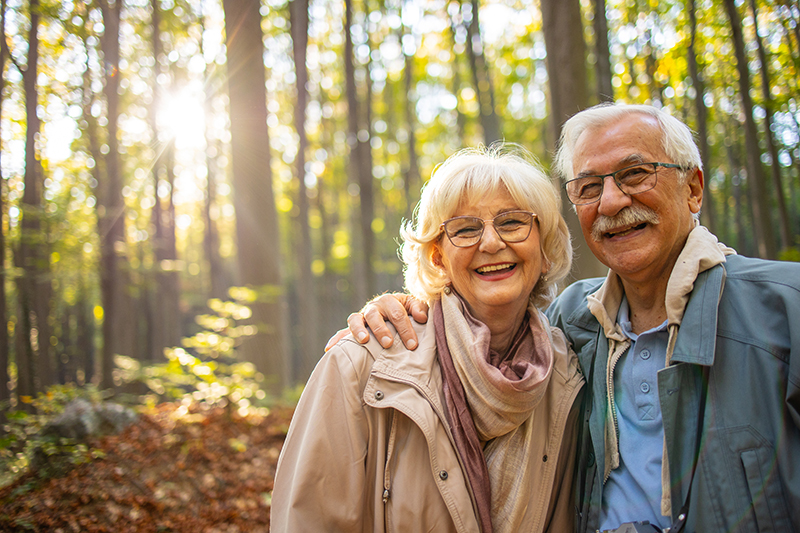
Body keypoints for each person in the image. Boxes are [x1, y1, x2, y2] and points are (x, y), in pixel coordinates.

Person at [341, 103, 800, 532]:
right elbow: (481, 330)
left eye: (635, 173)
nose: (612, 201)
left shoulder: (785, 308)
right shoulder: (569, 326)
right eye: (589, 186)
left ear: (693, 187)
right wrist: (403, 309)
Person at [271, 144, 585, 533]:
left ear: (546, 246)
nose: (490, 243)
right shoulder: (362, 365)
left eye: (512, 222)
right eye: (466, 229)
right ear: (438, 257)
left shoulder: (570, 372)